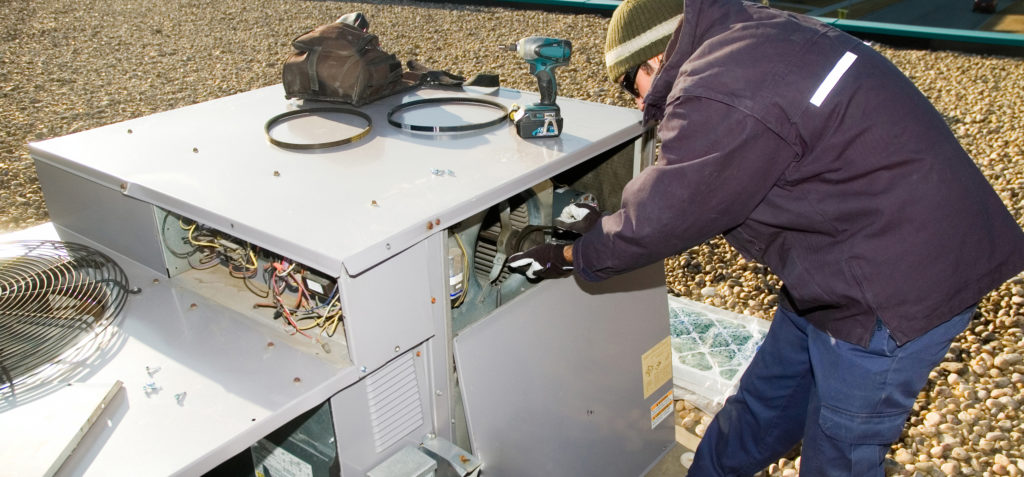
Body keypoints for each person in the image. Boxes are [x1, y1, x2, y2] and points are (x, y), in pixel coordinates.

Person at [507, 0, 1024, 474]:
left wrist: (573, 253)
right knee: (766, 402)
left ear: (653, 60)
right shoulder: (753, 34)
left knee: (839, 452)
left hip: (894, 286)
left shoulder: (719, 84)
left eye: (629, 86)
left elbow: (667, 212)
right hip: (840, 258)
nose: (639, 103)